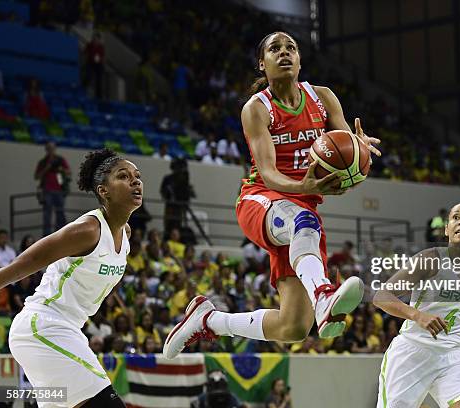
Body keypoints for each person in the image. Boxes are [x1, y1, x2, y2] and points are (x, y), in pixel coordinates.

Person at [163, 31, 381, 359]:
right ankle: (323, 293)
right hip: (260, 199)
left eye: (291, 48)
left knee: (293, 327)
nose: (284, 53)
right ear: (261, 64)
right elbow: (269, 174)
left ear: (300, 59)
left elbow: (345, 159)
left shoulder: (323, 98)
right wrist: (306, 188)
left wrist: (357, 157)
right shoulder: (257, 109)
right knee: (304, 221)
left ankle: (209, 320)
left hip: (301, 212)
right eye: (274, 49)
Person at [3, 148, 143, 407]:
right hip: (43, 326)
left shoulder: (126, 234)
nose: (135, 181)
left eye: (137, 176)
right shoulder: (88, 229)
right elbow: (28, 261)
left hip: (68, 330)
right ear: (104, 191)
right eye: (123, 176)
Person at [373, 202, 460, 408]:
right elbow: (381, 296)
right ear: (447, 229)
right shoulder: (430, 259)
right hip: (412, 352)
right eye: (456, 218)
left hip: (451, 356)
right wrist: (418, 316)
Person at [35, 142, 71, 236]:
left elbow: (68, 172)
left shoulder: (60, 160)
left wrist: (61, 169)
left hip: (59, 190)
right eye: (49, 148)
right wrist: (47, 168)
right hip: (47, 191)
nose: (51, 150)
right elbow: (37, 176)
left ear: (55, 149)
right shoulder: (43, 162)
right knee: (47, 213)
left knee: (60, 212)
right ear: (46, 149)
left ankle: (61, 233)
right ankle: (46, 235)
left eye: (52, 148)